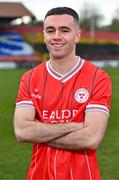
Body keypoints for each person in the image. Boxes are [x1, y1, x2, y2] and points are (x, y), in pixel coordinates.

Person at [14, 7, 112, 180]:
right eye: (50, 30)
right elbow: (22, 131)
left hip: (83, 175)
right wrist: (75, 126)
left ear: (78, 35)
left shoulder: (98, 78)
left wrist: (39, 131)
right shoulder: (29, 78)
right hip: (39, 175)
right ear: (44, 35)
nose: (56, 36)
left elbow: (91, 139)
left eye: (65, 30)